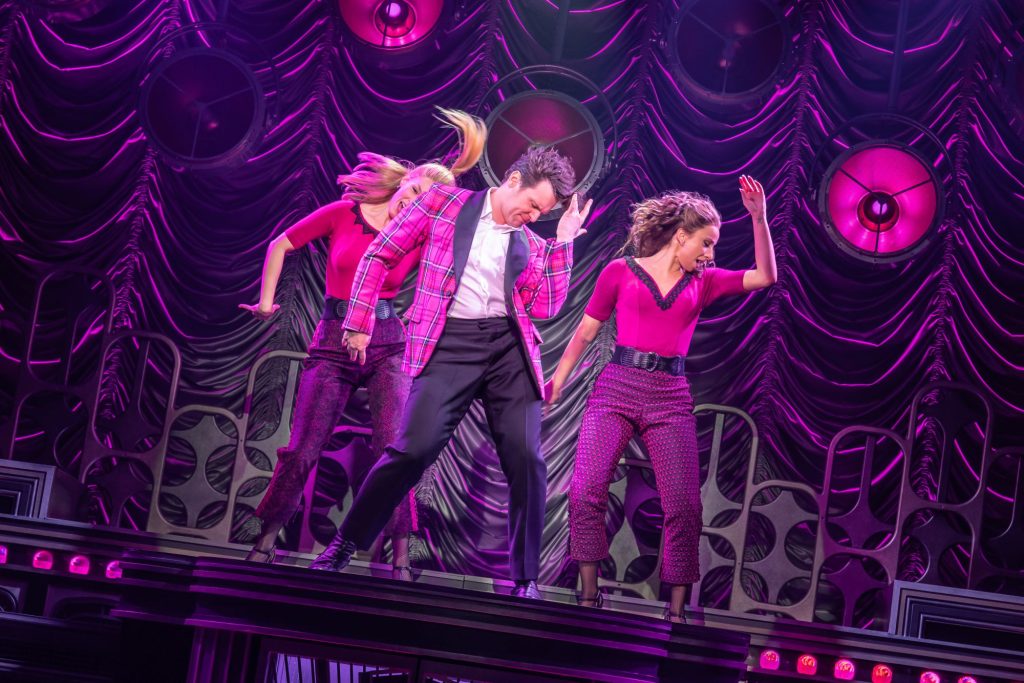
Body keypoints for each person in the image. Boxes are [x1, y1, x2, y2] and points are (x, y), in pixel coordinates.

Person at [309, 146, 593, 600]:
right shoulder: (442, 204)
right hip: (450, 343)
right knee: (411, 450)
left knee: (526, 459)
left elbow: (546, 306)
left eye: (543, 212)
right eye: (534, 205)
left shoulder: (533, 242)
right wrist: (358, 322)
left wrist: (563, 241)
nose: (533, 216)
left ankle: (525, 580)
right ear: (514, 180)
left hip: (508, 351)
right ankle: (345, 544)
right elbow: (379, 254)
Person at [239, 109, 487, 580]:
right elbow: (281, 244)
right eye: (414, 195)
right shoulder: (344, 215)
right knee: (303, 447)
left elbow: (452, 275)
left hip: (387, 342)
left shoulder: (422, 233)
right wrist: (268, 302)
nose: (415, 208)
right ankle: (267, 538)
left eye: (427, 205)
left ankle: (397, 554)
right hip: (333, 339)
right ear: (403, 184)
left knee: (396, 448)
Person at [546, 176, 776, 620]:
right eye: (706, 243)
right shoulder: (620, 271)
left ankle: (675, 614)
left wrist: (759, 217)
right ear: (681, 236)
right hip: (617, 385)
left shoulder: (705, 283)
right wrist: (557, 381)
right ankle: (588, 596)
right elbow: (585, 331)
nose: (711, 254)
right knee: (586, 491)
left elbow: (766, 276)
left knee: (685, 507)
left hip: (670, 395)